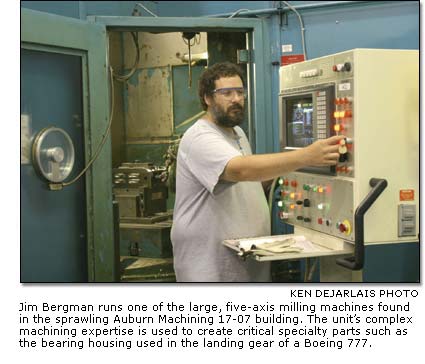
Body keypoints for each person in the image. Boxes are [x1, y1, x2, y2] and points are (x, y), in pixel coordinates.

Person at [170, 62, 343, 282]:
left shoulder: (237, 133)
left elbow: (245, 184)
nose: (236, 99)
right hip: (210, 265)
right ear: (207, 98)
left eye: (240, 92)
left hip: (244, 259)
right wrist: (306, 156)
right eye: (226, 93)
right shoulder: (200, 137)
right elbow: (240, 171)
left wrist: (289, 173)